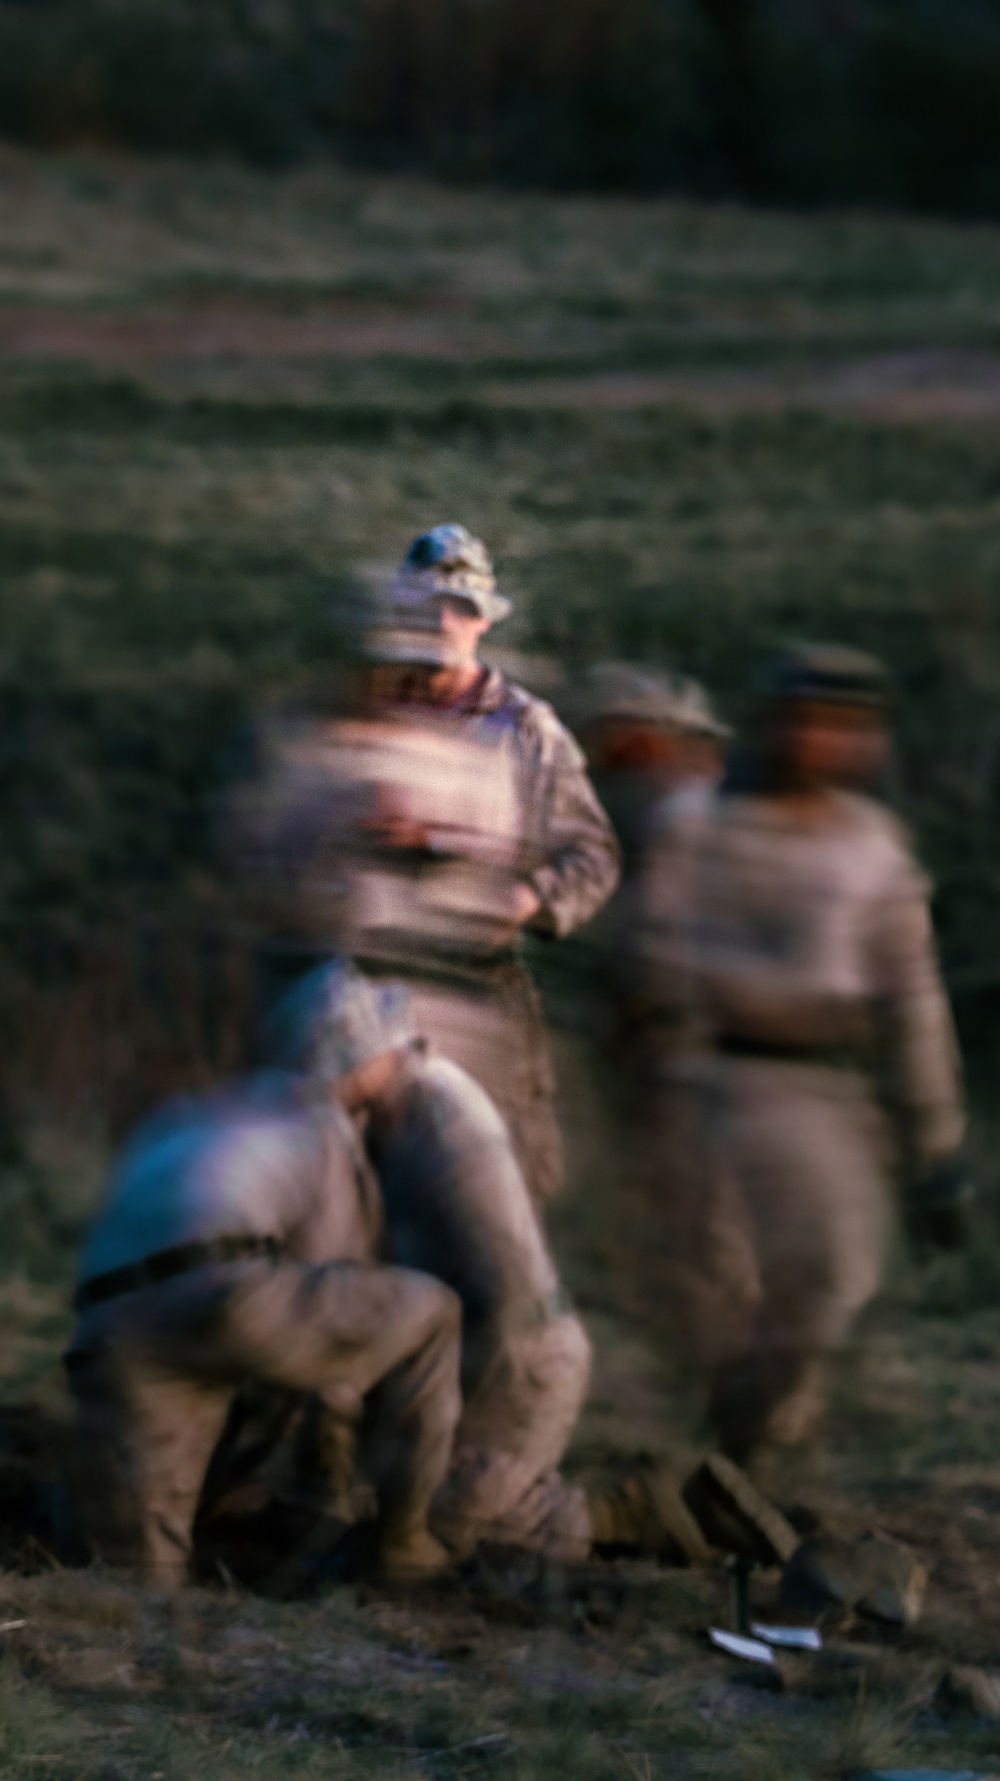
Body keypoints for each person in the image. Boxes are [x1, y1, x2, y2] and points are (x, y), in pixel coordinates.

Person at [229, 524, 620, 1207]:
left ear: (483, 622)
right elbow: (265, 852)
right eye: (428, 605)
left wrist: (532, 897)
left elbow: (594, 854)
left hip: (473, 988)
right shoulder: (360, 713)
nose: (444, 622)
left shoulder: (527, 729)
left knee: (481, 1201)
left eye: (463, 608)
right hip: (357, 988)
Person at [663, 643, 970, 1476]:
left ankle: (744, 1455)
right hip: (710, 1080)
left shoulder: (872, 846)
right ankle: (706, 1468)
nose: (817, 740)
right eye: (802, 718)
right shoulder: (701, 824)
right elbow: (653, 961)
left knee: (831, 1282)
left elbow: (911, 998)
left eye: (841, 724)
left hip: (829, 1089)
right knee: (715, 1296)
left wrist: (934, 1146)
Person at [64, 965, 463, 1588]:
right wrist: (330, 1471)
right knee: (436, 1311)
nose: (397, 1071)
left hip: (112, 1323)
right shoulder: (320, 1118)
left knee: (137, 1581)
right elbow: (329, 1316)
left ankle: (171, 1563)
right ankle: (405, 1545)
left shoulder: (195, 1110)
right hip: (223, 1293)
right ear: (360, 1063)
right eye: (393, 1055)